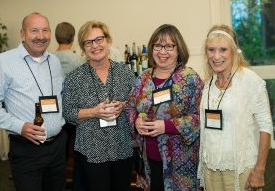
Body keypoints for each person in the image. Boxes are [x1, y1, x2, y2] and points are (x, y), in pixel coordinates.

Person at [0, 12, 67, 191]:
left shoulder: (55, 61)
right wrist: (20, 126)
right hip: (27, 150)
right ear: (22, 34)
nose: (41, 36)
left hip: (58, 147)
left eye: (45, 30)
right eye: (34, 30)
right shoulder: (2, 62)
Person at [125, 24, 204, 191]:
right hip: (149, 160)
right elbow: (130, 107)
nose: (162, 52)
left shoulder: (189, 79)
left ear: (178, 49)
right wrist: (137, 121)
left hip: (180, 164)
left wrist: (166, 126)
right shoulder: (143, 78)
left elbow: (200, 117)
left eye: (169, 46)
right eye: (158, 46)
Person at [197, 24, 273, 191]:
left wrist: (259, 170)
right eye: (211, 50)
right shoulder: (208, 83)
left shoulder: (250, 81)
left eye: (223, 49)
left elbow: (266, 127)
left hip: (241, 168)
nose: (216, 56)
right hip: (211, 167)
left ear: (234, 51)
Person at [62, 20, 135, 191]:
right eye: (88, 42)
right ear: (83, 47)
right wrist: (93, 112)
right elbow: (67, 112)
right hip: (91, 151)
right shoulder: (74, 78)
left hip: (122, 148)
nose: (95, 46)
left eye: (99, 39)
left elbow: (137, 103)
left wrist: (124, 105)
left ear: (108, 41)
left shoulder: (125, 73)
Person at [54, 21, 85, 191]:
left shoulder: (49, 60)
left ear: (55, 38)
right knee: (77, 156)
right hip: (75, 117)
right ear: (73, 38)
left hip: (55, 116)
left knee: (60, 157)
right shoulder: (79, 62)